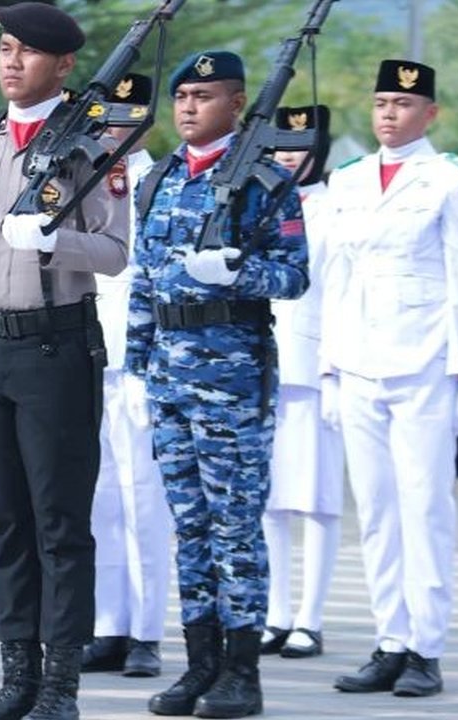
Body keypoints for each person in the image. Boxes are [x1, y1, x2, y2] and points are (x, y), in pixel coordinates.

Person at [0, 4, 129, 719]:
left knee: (59, 524)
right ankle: (17, 678)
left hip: (56, 349)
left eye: (27, 52)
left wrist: (55, 240)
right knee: (7, 523)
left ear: (64, 64)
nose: (11, 62)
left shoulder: (91, 145)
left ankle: (60, 687)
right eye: (4, 49)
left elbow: (114, 252)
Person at [125, 51, 308, 718]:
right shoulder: (160, 178)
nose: (188, 107)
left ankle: (241, 672)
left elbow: (294, 275)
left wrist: (238, 271)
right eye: (182, 97)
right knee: (190, 525)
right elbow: (144, 280)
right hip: (169, 379)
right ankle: (200, 663)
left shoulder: (264, 180)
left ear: (235, 103)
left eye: (203, 97)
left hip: (233, 377)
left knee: (235, 526)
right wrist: (138, 366)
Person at [320, 59, 458, 699]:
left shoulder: (451, 181)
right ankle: (389, 641)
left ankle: (425, 650)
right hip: (358, 363)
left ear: (429, 113)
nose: (389, 113)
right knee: (377, 511)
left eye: (404, 104)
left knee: (425, 507)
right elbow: (336, 278)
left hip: (424, 365)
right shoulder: (348, 179)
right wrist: (329, 368)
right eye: (382, 102)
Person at [82, 72, 174, 680]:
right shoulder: (80, 178)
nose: (114, 129)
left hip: (140, 357)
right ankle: (107, 624)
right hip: (86, 350)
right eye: (106, 119)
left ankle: (146, 631)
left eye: (126, 119)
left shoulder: (159, 181)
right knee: (98, 499)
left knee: (143, 500)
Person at [259, 104, 345, 662]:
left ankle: (310, 619)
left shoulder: (338, 208)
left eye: (301, 147)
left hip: (315, 367)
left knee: (317, 499)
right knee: (269, 499)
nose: (290, 157)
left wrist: (335, 368)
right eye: (282, 147)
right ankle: (276, 614)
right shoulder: (259, 203)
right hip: (261, 364)